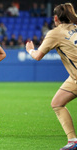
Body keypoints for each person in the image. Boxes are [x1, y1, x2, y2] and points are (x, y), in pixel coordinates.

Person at [25, 3, 77, 150]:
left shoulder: (55, 33)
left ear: (55, 18)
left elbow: (37, 56)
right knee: (57, 103)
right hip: (74, 78)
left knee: (57, 104)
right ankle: (73, 141)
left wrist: (30, 50)